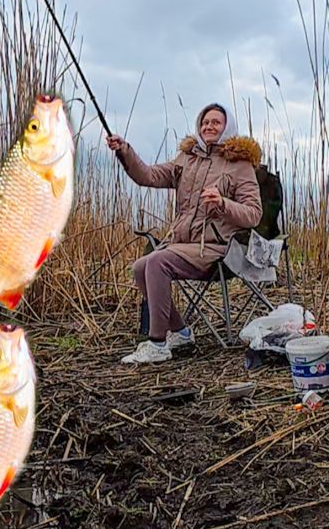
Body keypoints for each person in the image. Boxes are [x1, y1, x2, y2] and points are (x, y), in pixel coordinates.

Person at [106, 103, 263, 364]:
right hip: (183, 245)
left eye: (216, 122)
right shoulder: (186, 159)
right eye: (205, 122)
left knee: (157, 262)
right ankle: (180, 332)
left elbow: (253, 214)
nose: (209, 127)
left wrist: (223, 204)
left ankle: (157, 344)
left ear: (228, 127)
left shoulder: (239, 165)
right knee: (139, 267)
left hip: (216, 249)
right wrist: (125, 151)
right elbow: (149, 176)